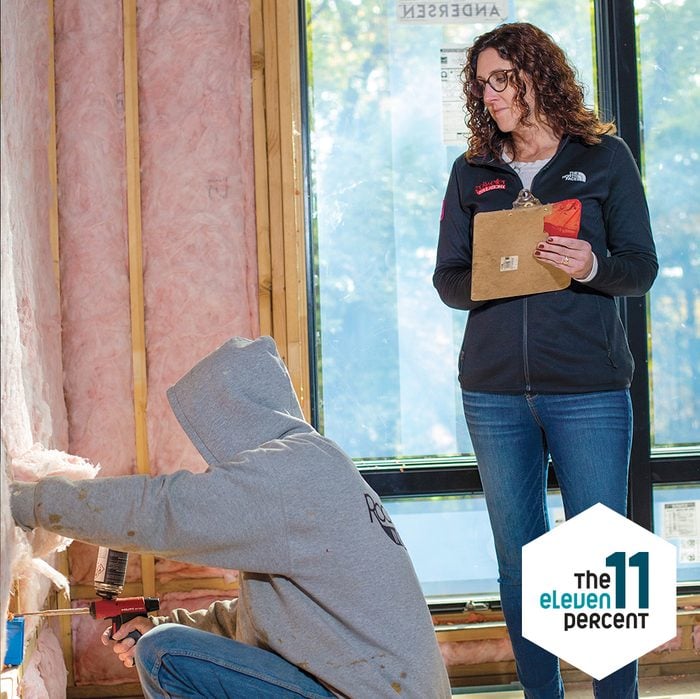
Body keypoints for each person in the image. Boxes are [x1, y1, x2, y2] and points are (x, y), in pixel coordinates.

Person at [11, 335, 451, 698]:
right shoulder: (314, 468)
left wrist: (28, 504)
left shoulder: (295, 470)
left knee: (164, 654)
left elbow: (164, 510)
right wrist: (164, 623)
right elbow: (266, 619)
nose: (211, 461)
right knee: (164, 641)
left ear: (231, 416)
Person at [432, 22, 657, 699]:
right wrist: (499, 269)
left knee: (601, 563)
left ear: (538, 74)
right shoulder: (473, 170)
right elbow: (448, 278)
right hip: (494, 393)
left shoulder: (604, 157)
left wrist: (591, 264)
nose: (490, 94)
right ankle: (541, 693)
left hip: (588, 388)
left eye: (502, 78)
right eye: (482, 84)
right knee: (519, 559)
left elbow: (639, 268)